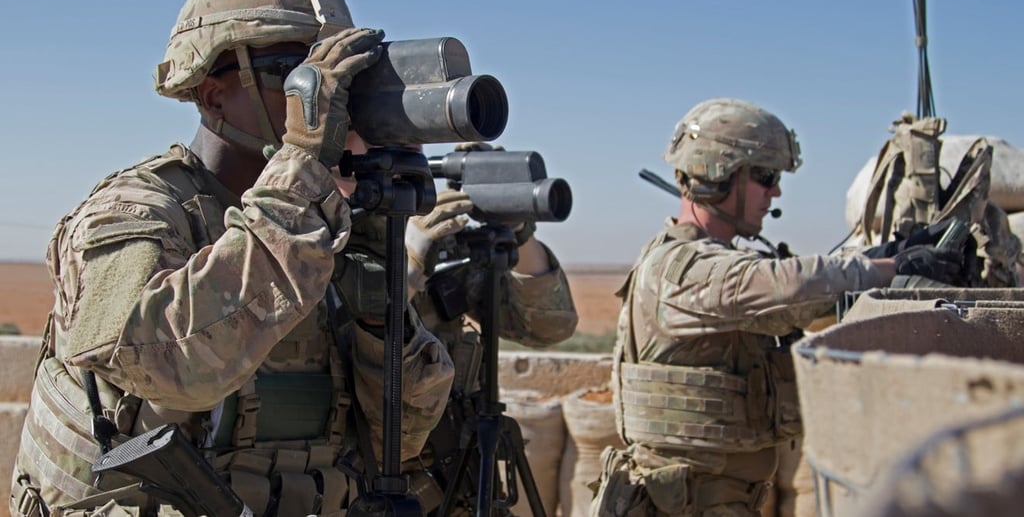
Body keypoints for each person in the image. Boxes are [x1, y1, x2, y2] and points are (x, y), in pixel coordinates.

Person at [10, 0, 456, 516]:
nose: (325, 95)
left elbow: (401, 438)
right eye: (293, 73)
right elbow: (167, 366)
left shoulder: (317, 223)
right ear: (213, 93)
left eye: (339, 78)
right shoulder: (133, 211)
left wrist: (376, 303)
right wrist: (302, 166)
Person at [589, 98, 969, 517]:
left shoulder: (716, 263)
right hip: (681, 505)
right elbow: (789, 287)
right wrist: (890, 268)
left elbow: (801, 296)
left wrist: (889, 255)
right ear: (718, 173)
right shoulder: (681, 268)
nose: (776, 192)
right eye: (765, 177)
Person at [329, 139, 579, 514]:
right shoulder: (319, 243)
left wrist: (515, 226)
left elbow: (549, 325)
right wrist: (407, 268)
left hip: (458, 483)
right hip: (369, 493)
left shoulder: (436, 240)